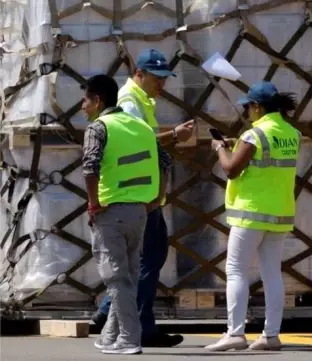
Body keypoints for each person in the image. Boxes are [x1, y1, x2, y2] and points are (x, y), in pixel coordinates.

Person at [92, 49, 194, 348]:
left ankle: (108, 312)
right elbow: (139, 142)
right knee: (147, 260)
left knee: (143, 260)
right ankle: (138, 325)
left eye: (165, 78)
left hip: (142, 192)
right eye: (157, 78)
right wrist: (174, 135)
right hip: (137, 195)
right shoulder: (129, 101)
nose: (161, 84)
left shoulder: (141, 100)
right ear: (139, 74)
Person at [204, 81, 301, 352]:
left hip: (251, 213)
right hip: (279, 212)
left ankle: (235, 333)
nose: (246, 112)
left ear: (258, 107)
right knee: (272, 273)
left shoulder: (254, 135)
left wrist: (220, 149)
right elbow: (265, 160)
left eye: (248, 107)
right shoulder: (292, 133)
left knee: (235, 270)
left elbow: (232, 170)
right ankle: (271, 335)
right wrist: (239, 144)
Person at [82, 74, 172, 354]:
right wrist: (156, 199)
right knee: (129, 277)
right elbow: (166, 162)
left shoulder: (98, 128)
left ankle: (129, 339)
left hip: (110, 212)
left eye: (85, 100)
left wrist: (93, 204)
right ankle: (110, 336)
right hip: (139, 213)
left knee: (116, 277)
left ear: (98, 100)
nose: (82, 107)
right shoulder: (142, 127)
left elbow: (90, 167)